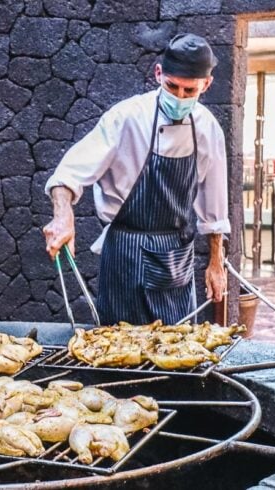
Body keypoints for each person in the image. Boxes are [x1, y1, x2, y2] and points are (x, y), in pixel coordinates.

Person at [43, 33, 230, 326]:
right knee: (118, 350)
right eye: (172, 86)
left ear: (206, 85)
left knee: (179, 349)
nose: (179, 97)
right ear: (158, 74)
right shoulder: (126, 118)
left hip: (175, 254)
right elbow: (69, 174)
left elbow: (214, 204)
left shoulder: (207, 129)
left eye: (189, 90)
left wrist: (216, 262)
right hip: (125, 253)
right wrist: (62, 215)